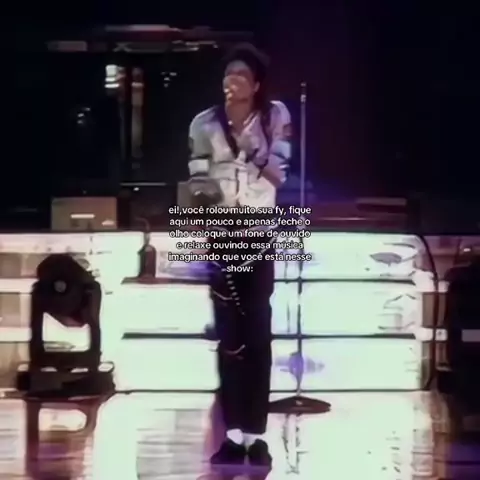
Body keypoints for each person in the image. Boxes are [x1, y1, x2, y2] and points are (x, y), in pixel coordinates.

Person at [187, 43, 292, 469]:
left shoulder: (274, 117)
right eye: (227, 75)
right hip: (221, 234)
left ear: (256, 84)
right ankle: (231, 433)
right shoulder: (203, 124)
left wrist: (248, 149)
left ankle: (256, 434)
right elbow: (197, 179)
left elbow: (279, 174)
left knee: (258, 333)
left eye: (241, 76)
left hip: (259, 235)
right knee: (229, 337)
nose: (232, 82)